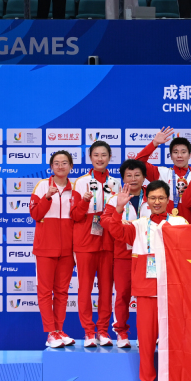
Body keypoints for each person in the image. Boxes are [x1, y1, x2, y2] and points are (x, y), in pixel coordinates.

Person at [106, 180, 187, 381]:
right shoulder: (138, 225)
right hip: (146, 292)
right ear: (147, 201)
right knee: (147, 343)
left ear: (168, 200)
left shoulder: (179, 222)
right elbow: (116, 231)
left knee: (175, 343)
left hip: (173, 292)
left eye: (161, 198)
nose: (157, 202)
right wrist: (118, 208)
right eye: (152, 198)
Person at [71, 141, 120, 347]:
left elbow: (120, 213)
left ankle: (103, 331)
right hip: (85, 241)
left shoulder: (115, 183)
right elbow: (75, 215)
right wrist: (84, 202)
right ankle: (89, 332)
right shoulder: (81, 182)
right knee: (85, 288)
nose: (100, 159)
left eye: (104, 155)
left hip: (108, 241)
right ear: (90, 157)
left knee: (107, 289)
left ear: (109, 157)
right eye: (96, 155)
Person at [100, 159, 150, 349]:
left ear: (144, 177)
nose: (133, 179)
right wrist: (119, 218)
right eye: (129, 175)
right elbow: (104, 221)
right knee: (122, 295)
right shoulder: (115, 198)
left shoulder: (153, 196)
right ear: (123, 178)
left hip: (148, 255)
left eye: (137, 175)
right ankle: (121, 332)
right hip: (123, 254)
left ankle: (149, 333)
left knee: (149, 296)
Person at [29, 151, 77, 349]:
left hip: (68, 250)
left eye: (64, 163)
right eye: (56, 163)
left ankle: (59, 330)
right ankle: (50, 332)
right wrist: (47, 197)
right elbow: (35, 214)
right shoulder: (42, 185)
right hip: (45, 248)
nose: (60, 166)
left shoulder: (76, 188)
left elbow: (79, 217)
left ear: (71, 166)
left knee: (62, 292)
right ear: (51, 167)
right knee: (45, 291)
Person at [134, 127, 191, 224]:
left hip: (189, 226)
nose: (179, 155)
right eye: (175, 152)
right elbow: (138, 163)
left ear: (189, 155)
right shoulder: (162, 173)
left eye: (183, 152)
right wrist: (154, 143)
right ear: (170, 156)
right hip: (164, 227)